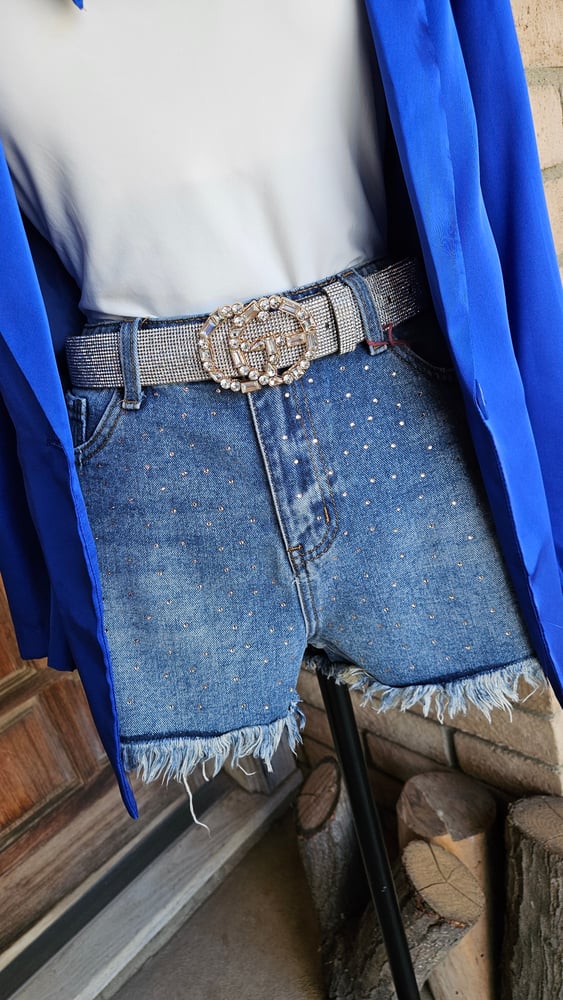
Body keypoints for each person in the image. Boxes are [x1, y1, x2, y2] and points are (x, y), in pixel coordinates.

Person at [0, 0, 562, 820]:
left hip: (398, 404)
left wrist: (544, 447)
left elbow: (498, 172)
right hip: (152, 460)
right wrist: (37, 570)